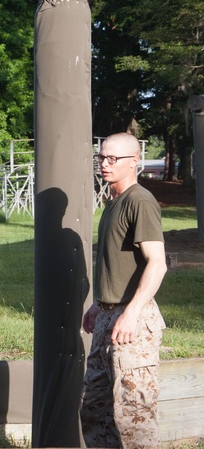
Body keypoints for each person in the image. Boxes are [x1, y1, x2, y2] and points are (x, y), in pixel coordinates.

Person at [81, 133, 167, 448]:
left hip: (134, 323)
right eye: (101, 157)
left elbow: (156, 264)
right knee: (96, 411)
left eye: (113, 158)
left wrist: (130, 314)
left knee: (134, 421)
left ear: (134, 162)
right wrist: (98, 304)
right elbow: (116, 264)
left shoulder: (139, 200)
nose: (104, 164)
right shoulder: (113, 200)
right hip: (108, 317)